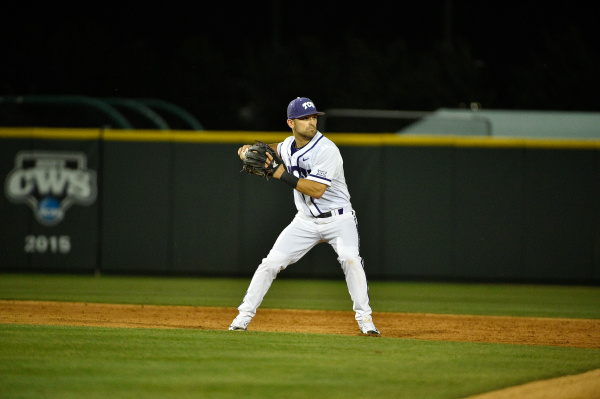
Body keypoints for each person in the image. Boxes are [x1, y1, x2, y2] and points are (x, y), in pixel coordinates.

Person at [229, 97, 380, 336]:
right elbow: (273, 149)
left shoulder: (327, 149)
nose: (311, 122)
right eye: (304, 118)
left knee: (350, 258)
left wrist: (280, 173)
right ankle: (241, 318)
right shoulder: (288, 145)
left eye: (313, 117)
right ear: (291, 122)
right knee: (269, 264)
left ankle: (366, 321)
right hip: (305, 221)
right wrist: (248, 150)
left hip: (338, 220)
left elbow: (316, 190)